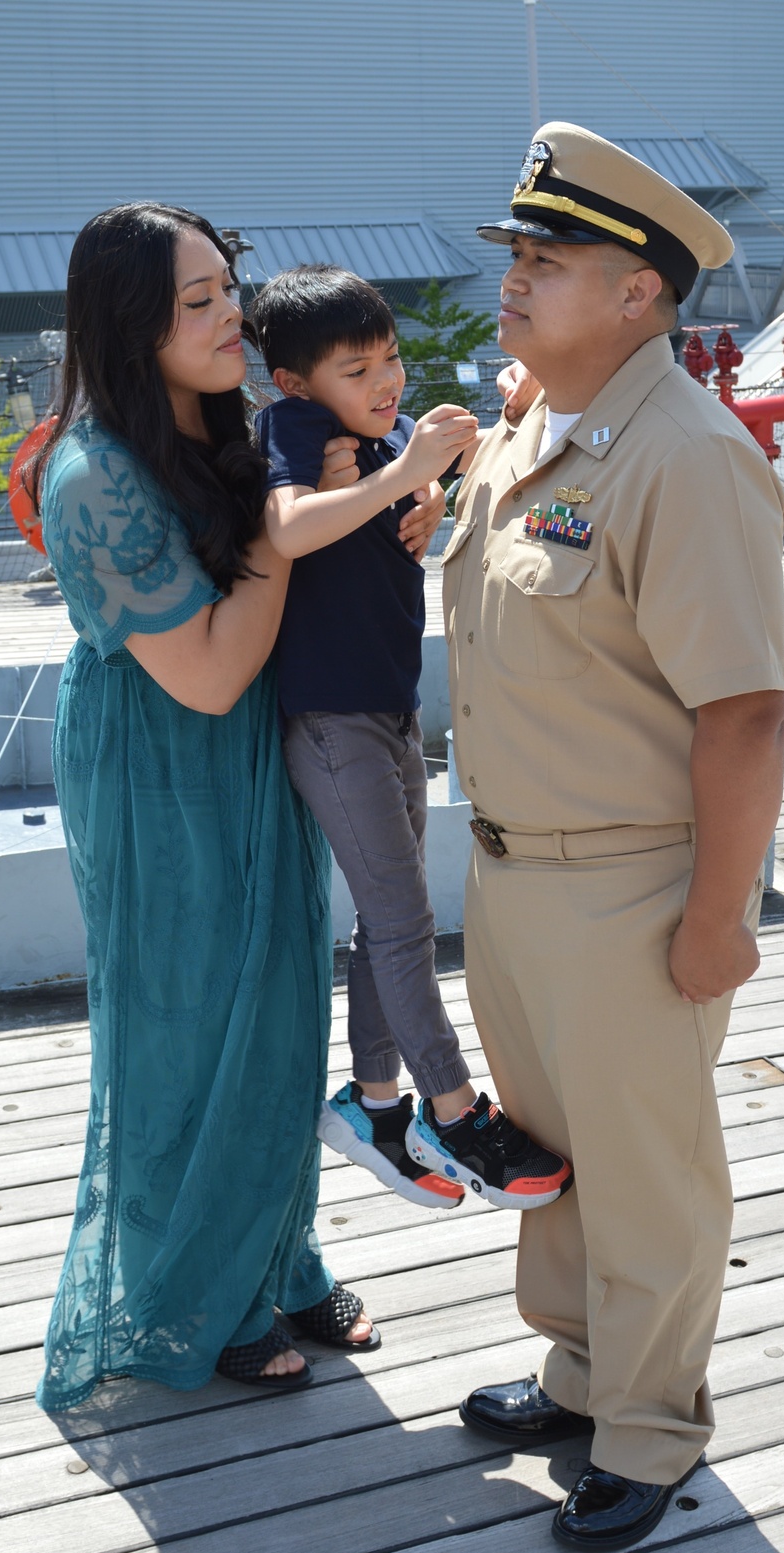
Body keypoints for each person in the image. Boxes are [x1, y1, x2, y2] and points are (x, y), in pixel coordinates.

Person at [445, 125, 784, 1550]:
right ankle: (583, 1375)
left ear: (640, 293)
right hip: (518, 874)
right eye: (517, 256)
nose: (514, 281)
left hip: (632, 888)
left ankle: (649, 1429)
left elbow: (745, 714)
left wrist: (720, 918)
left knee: (648, 1174)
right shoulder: (538, 424)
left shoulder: (686, 457)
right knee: (559, 1156)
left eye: (549, 260)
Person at [31, 203, 382, 1409]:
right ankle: (194, 1289)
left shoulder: (230, 423)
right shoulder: (94, 473)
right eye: (197, 301)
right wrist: (286, 522)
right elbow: (213, 664)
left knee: (281, 1012)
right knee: (183, 1030)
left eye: (225, 287)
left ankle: (280, 1257)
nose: (231, 311)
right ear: (131, 323)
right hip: (160, 767)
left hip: (253, 755)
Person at [249, 265, 573, 1215]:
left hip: (387, 710)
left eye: (389, 357)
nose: (386, 381)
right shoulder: (296, 432)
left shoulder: (374, 437)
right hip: (330, 716)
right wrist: (404, 474)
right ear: (295, 383)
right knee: (403, 923)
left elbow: (377, 534)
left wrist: (422, 509)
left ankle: (376, 1100)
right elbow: (289, 527)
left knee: (386, 921)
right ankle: (454, 1107)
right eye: (358, 368)